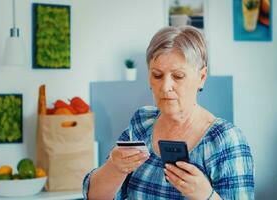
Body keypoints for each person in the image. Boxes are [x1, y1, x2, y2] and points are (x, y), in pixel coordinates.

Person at [83, 26, 254, 200]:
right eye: (157, 75)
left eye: (178, 76)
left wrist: (206, 195)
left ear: (202, 77)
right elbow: (95, 196)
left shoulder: (225, 140)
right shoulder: (143, 122)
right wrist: (115, 166)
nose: (165, 87)